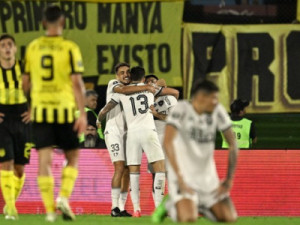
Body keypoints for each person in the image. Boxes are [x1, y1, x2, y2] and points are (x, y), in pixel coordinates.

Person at [22, 5, 87, 222]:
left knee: (44, 160)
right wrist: (82, 114)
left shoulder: (33, 47)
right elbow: (77, 83)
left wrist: (30, 106)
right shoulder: (70, 47)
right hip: (65, 110)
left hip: (41, 111)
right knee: (73, 156)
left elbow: (25, 82)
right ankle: (63, 198)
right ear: (63, 23)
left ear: (42, 23)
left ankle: (50, 211)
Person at [153, 80, 239, 223]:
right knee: (188, 219)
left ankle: (200, 205)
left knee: (228, 218)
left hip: (208, 178)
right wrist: (178, 177)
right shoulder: (181, 109)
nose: (216, 102)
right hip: (183, 176)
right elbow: (168, 142)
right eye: (213, 98)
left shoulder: (217, 110)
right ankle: (170, 203)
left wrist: (229, 179)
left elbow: (233, 144)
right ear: (201, 97)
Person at [98, 66, 166, 218]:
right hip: (119, 133)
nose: (125, 75)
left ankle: (133, 209)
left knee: (131, 171)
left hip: (130, 134)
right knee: (125, 168)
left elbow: (107, 107)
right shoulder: (115, 85)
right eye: (121, 73)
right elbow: (169, 89)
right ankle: (116, 207)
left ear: (132, 75)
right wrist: (151, 85)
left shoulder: (126, 91)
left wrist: (98, 117)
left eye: (127, 72)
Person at [0, 34, 32, 220]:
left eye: (9, 45)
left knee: (19, 170)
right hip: (3, 120)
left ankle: (11, 205)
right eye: (3, 45)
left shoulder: (25, 69)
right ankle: (11, 208)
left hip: (22, 119)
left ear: (15, 48)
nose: (6, 48)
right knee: (6, 163)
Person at [145, 75, 178, 205]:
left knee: (171, 174)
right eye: (149, 83)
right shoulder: (144, 100)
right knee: (156, 173)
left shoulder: (170, 99)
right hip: (152, 138)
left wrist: (156, 114)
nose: (152, 84)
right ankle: (158, 206)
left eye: (154, 82)